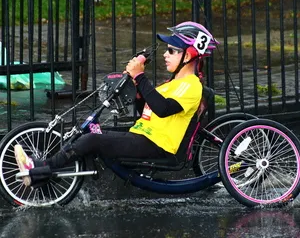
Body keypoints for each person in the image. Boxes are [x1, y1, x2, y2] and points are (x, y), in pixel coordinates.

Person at [14, 22, 219, 187]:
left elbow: (163, 109)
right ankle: (49, 172)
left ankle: (38, 170)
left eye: (172, 50)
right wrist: (137, 92)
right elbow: (148, 112)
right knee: (93, 132)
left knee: (92, 140)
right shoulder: (172, 84)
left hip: (157, 146)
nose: (165, 54)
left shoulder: (191, 86)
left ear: (189, 55)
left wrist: (140, 76)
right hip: (142, 136)